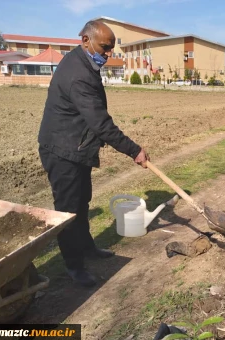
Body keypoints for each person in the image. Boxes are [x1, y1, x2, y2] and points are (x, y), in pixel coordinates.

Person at [38, 20, 149, 287]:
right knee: (68, 211)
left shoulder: (84, 63)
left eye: (111, 48)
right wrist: (134, 151)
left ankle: (87, 248)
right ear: (85, 40)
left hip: (76, 147)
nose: (108, 54)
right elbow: (100, 124)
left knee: (82, 201)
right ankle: (74, 266)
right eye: (104, 47)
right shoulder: (78, 74)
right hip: (62, 150)